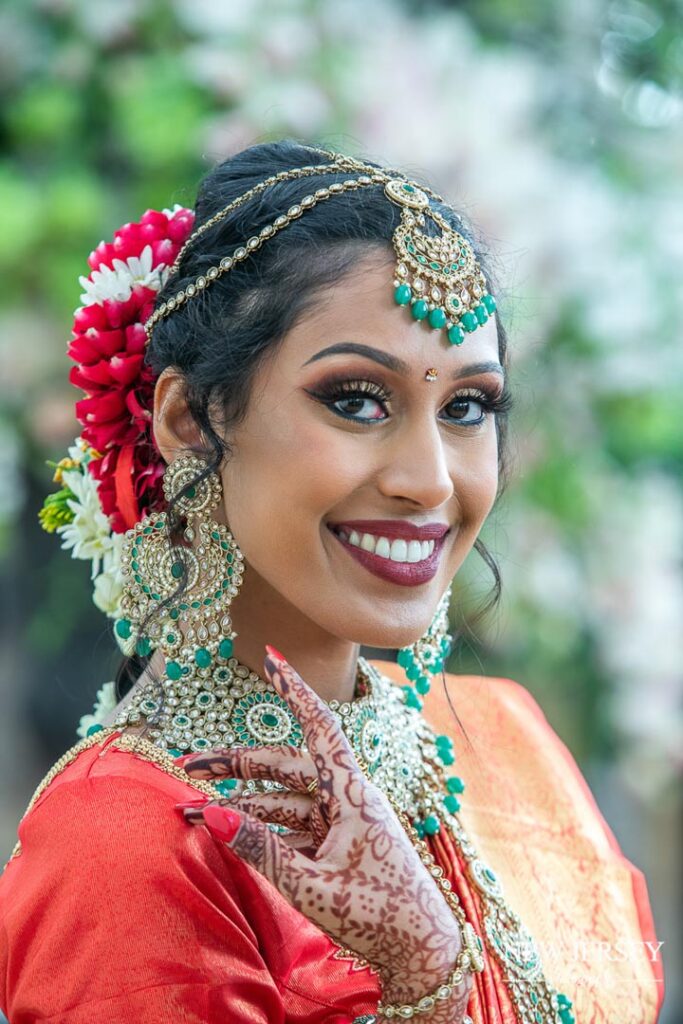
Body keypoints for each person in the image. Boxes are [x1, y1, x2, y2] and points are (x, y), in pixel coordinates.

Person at [0, 140, 664, 1023]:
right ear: (190, 423)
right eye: (356, 398)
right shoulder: (126, 837)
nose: (429, 479)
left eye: (466, 407)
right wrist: (425, 980)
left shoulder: (506, 741)